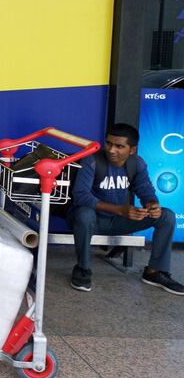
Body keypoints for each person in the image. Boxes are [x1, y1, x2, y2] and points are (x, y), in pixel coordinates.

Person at [69, 123, 183, 295]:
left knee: (166, 216)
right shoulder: (92, 160)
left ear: (132, 149)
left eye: (119, 146)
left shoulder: (137, 164)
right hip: (91, 221)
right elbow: (81, 196)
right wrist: (119, 210)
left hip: (118, 220)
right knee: (84, 213)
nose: (111, 150)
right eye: (108, 143)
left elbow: (146, 191)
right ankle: (82, 269)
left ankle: (154, 272)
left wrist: (152, 204)